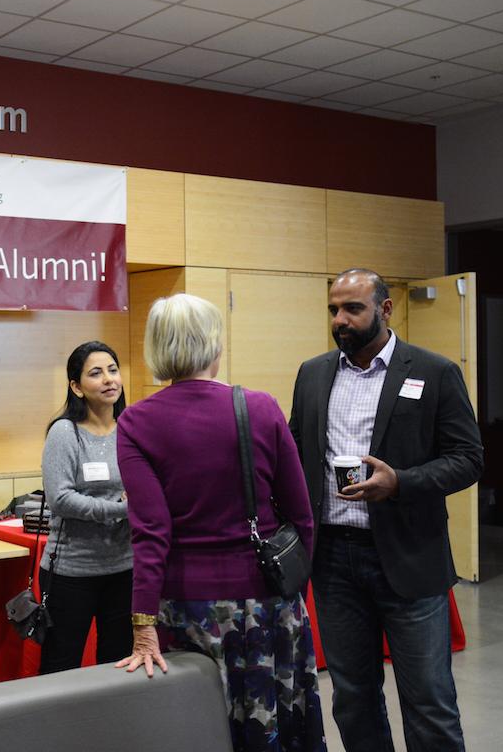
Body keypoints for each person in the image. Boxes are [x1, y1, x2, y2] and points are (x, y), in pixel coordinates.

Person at [117, 293, 325, 752]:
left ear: (157, 348)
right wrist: (292, 592)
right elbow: (301, 513)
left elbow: (150, 533)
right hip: (269, 603)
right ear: (215, 344)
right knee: (274, 726)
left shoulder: (136, 422)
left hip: (189, 609)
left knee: (199, 728)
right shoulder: (261, 407)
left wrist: (142, 623)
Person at [288, 268, 483, 752]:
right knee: (352, 698)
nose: (340, 320)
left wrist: (402, 483)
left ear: (385, 309)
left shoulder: (434, 372)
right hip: (333, 561)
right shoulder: (313, 373)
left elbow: (467, 458)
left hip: (409, 556)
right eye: (334, 309)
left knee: (429, 701)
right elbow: (295, 450)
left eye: (353, 308)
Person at [37, 341, 132, 674]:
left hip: (124, 567)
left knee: (118, 663)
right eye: (96, 373)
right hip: (71, 571)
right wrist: (121, 509)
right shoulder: (65, 432)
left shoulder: (132, 429)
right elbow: (60, 499)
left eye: (113, 370)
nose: (108, 379)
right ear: (76, 387)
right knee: (61, 666)